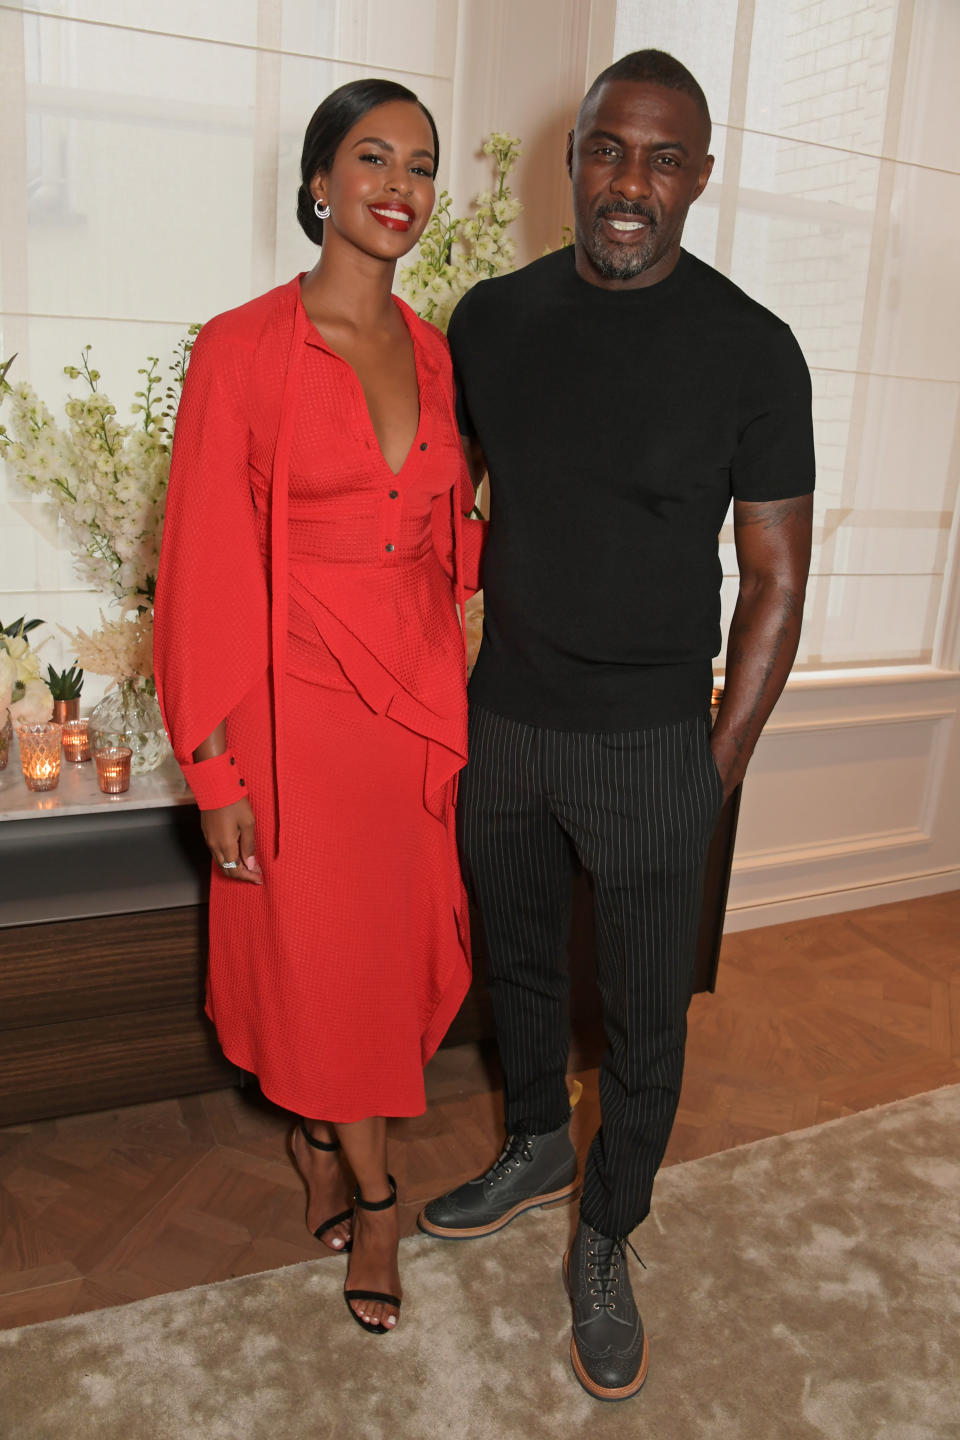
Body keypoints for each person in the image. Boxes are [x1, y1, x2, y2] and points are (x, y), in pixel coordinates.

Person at [419, 50, 814, 1401]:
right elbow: (428, 511)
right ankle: (535, 1143)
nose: (627, 184)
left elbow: (774, 585)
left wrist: (714, 773)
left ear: (700, 175)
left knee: (647, 1020)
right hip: (506, 726)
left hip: (656, 741)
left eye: (660, 158)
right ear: (570, 156)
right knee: (517, 968)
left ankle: (607, 1232)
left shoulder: (755, 351)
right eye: (605, 150)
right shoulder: (490, 322)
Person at [154, 78, 483, 1338]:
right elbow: (201, 570)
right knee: (331, 965)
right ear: (318, 184)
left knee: (385, 959)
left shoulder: (440, 352)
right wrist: (217, 769)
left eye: (421, 164)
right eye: (372, 157)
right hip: (296, 708)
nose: (399, 184)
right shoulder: (239, 347)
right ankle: (380, 1196)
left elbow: (448, 530)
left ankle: (315, 1138)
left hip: (416, 700)